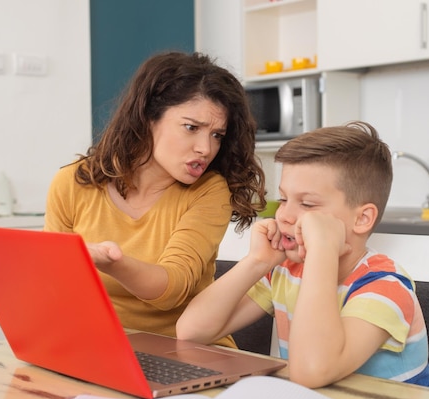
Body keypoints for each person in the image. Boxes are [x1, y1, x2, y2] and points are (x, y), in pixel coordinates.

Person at [177, 121, 429, 388]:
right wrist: (257, 262)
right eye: (284, 199)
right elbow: (191, 332)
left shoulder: (385, 286)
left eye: (308, 204)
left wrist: (323, 249)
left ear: (362, 218)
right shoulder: (287, 270)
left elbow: (311, 371)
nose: (284, 215)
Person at [44, 51, 266, 348]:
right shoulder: (73, 182)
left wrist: (111, 262)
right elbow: (54, 286)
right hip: (101, 348)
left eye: (216, 135)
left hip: (187, 352)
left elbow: (172, 288)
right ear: (149, 117)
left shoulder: (209, 191)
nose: (205, 148)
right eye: (192, 128)